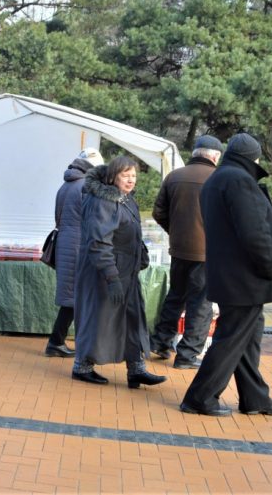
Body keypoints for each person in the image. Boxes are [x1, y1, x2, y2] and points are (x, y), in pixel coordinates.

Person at [181, 133, 272, 418]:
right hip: (246, 278)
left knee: (246, 339)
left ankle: (256, 398)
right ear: (253, 157)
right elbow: (255, 234)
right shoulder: (240, 181)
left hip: (229, 275)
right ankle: (199, 397)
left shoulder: (218, 179)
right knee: (231, 338)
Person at [71, 156, 166, 389]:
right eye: (126, 175)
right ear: (113, 176)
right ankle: (82, 366)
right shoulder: (102, 202)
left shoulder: (127, 200)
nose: (131, 180)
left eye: (133, 175)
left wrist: (140, 255)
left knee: (133, 318)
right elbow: (98, 242)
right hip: (104, 272)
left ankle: (136, 369)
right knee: (99, 319)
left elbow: (132, 233)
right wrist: (111, 277)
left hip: (127, 271)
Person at [149, 135, 222, 369]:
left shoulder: (174, 176)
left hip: (179, 250)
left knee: (175, 296)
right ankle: (187, 355)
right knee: (200, 304)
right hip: (207, 253)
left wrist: (176, 231)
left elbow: (158, 212)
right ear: (215, 156)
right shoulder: (219, 179)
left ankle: (160, 343)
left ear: (195, 153)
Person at [43, 147, 104, 358]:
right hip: (80, 245)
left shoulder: (66, 185)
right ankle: (68, 343)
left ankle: (58, 342)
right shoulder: (87, 186)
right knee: (80, 297)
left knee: (74, 297)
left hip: (66, 243)